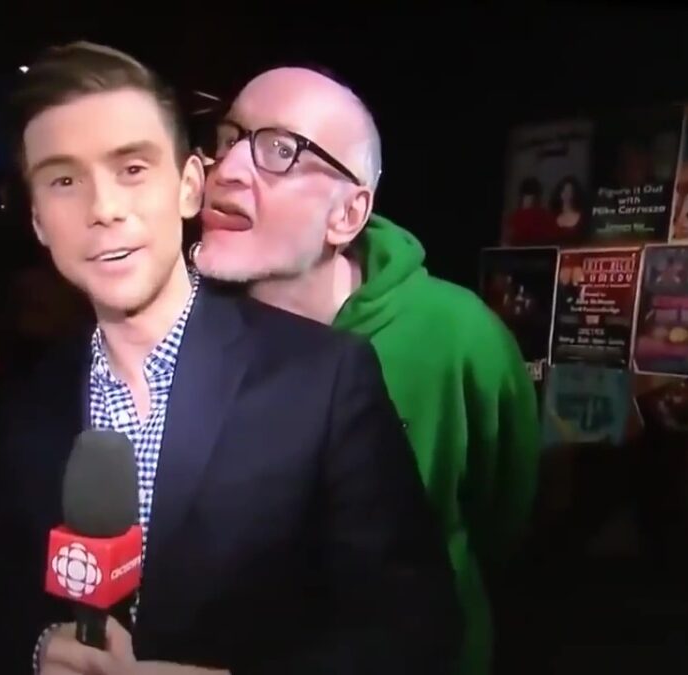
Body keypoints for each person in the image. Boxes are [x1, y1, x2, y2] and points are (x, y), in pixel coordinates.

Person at [0, 42, 460, 675]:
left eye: (132, 168)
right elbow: (0, 592)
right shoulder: (31, 399)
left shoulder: (324, 378)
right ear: (38, 220)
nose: (103, 210)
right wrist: (38, 645)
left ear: (190, 186)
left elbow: (417, 627)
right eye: (65, 181)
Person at [194, 66, 541, 675]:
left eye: (280, 150)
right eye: (227, 139)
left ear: (348, 214)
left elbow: (502, 516)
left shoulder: (458, 335)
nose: (227, 170)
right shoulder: (175, 337)